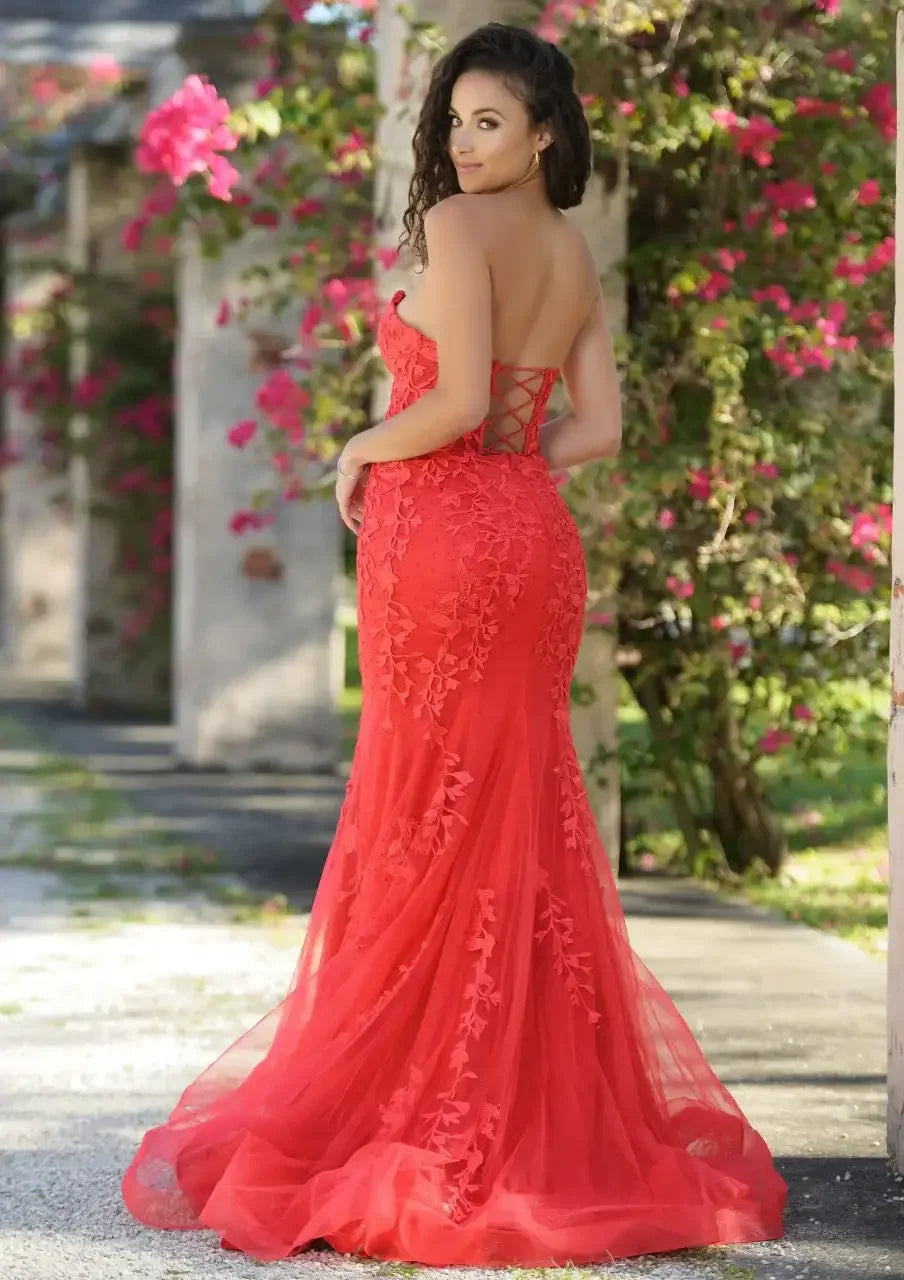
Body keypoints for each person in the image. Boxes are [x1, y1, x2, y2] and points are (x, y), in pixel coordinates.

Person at [121, 22, 787, 1267]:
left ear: (544, 134)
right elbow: (592, 428)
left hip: (440, 542)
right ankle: (522, 1109)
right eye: (455, 121)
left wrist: (359, 447)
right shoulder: (569, 250)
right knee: (513, 803)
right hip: (531, 540)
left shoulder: (458, 227)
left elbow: (460, 401)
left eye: (491, 122)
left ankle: (427, 1108)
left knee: (427, 805)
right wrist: (505, 476)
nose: (465, 143)